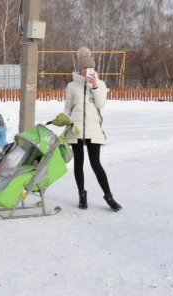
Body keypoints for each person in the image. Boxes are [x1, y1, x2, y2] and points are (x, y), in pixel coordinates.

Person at [64, 47, 121, 212]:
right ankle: (82, 195)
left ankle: (109, 196)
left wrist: (94, 86)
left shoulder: (100, 84)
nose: (85, 70)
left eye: (89, 68)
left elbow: (101, 105)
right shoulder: (72, 85)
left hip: (93, 128)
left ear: (93, 68)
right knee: (78, 163)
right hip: (76, 128)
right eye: (83, 68)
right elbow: (68, 107)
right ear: (79, 68)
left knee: (96, 163)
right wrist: (64, 119)